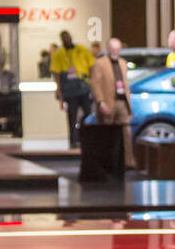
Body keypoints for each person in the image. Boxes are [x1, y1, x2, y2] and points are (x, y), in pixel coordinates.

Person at [89, 36, 135, 167]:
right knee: (107, 134)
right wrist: (100, 102)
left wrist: (129, 105)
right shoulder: (99, 63)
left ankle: (128, 161)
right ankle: (107, 161)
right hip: (108, 102)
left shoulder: (123, 63)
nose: (115, 51)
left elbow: (125, 85)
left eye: (117, 49)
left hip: (121, 102)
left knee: (126, 133)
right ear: (108, 49)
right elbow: (95, 84)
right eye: (113, 49)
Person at [50, 29, 95, 147]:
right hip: (69, 88)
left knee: (88, 112)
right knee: (72, 115)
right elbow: (57, 74)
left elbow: (91, 66)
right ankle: (73, 141)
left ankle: (86, 137)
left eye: (68, 37)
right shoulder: (58, 54)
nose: (67, 40)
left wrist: (92, 83)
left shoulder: (82, 50)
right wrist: (58, 90)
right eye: (64, 38)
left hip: (83, 85)